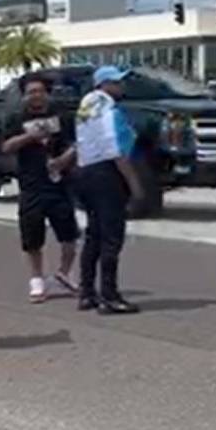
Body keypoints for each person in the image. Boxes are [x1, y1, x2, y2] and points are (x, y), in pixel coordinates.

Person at [1, 74, 81, 303]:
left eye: (40, 91)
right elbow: (6, 146)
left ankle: (64, 273)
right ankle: (36, 279)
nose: (36, 95)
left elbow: (77, 143)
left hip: (59, 183)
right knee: (32, 236)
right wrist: (29, 137)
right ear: (24, 96)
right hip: (31, 185)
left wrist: (64, 159)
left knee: (69, 235)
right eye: (31, 92)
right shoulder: (16, 118)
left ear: (47, 93)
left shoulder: (62, 116)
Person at [74, 67, 142, 314]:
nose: (121, 86)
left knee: (94, 235)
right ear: (104, 84)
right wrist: (134, 183)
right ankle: (109, 296)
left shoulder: (86, 108)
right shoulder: (109, 110)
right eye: (117, 82)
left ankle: (86, 292)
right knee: (111, 237)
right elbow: (116, 149)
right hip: (108, 174)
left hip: (86, 171)